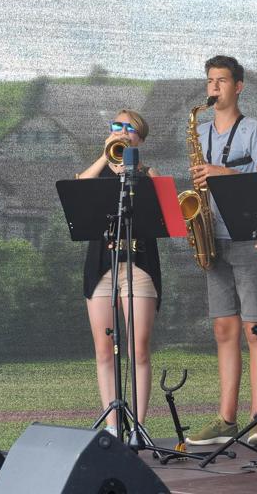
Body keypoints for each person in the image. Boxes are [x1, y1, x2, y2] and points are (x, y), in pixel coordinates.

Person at [185, 55, 257, 447]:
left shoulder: (253, 128)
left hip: (249, 237)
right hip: (214, 238)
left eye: (221, 81)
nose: (213, 88)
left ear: (238, 86)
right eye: (210, 81)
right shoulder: (200, 130)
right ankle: (226, 419)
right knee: (224, 329)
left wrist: (226, 173)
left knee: (254, 330)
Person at [78, 109, 161, 436]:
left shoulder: (148, 173)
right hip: (102, 267)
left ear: (139, 138)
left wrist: (138, 172)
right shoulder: (97, 174)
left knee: (138, 349)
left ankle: (138, 427)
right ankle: (112, 426)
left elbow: (163, 212)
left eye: (129, 128)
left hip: (138, 266)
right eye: (117, 126)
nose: (122, 131)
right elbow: (80, 190)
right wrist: (104, 156)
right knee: (103, 349)